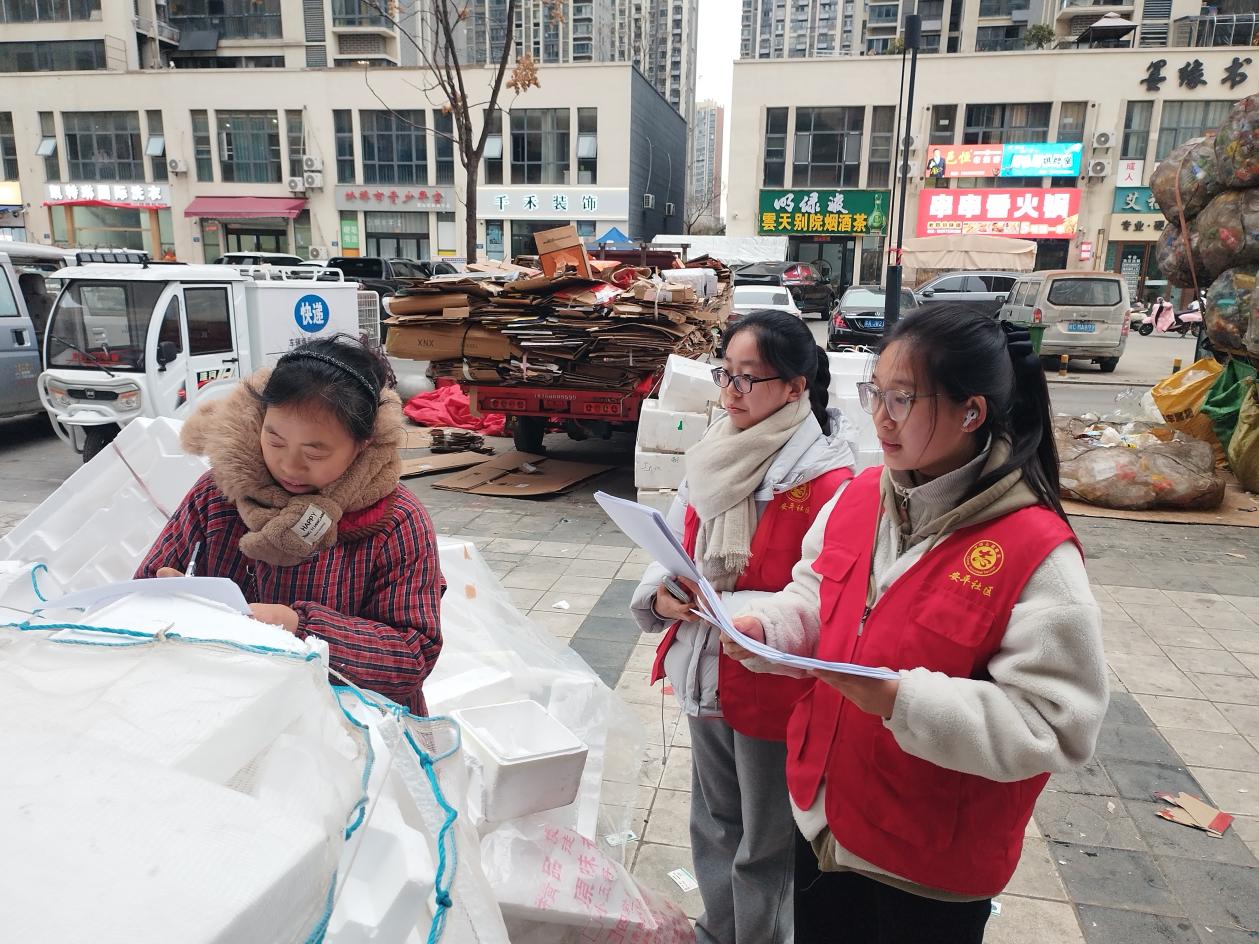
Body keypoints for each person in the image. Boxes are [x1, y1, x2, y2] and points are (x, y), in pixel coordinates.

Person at [724, 303, 1107, 944]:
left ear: (971, 412)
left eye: (902, 399)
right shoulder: (857, 498)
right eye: (875, 393)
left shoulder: (1035, 551)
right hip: (826, 824)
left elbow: (1056, 726)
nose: (880, 417)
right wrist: (771, 629)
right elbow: (815, 597)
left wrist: (903, 700)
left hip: (930, 862)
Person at [630, 309, 858, 944]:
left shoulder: (827, 479)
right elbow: (676, 538)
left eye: (747, 378)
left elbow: (821, 596)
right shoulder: (715, 451)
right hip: (706, 670)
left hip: (772, 682)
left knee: (765, 839)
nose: (730, 391)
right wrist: (664, 592)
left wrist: (730, 608)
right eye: (724, 373)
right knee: (713, 822)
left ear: (794, 386)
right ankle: (718, 930)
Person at [137, 334, 444, 714]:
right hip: (226, 707)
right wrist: (164, 599)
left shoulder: (395, 520)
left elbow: (412, 655)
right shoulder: (220, 493)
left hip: (352, 722)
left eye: (315, 451)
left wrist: (300, 628)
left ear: (362, 444)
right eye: (276, 441)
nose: (289, 466)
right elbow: (144, 586)